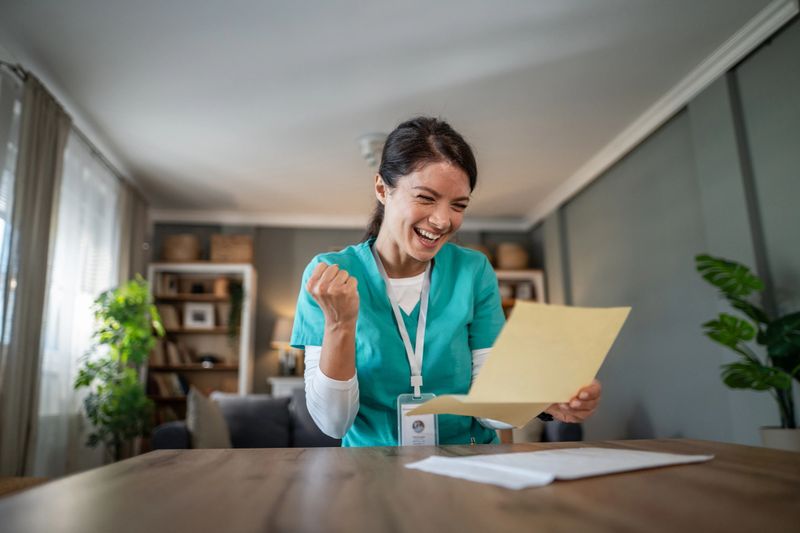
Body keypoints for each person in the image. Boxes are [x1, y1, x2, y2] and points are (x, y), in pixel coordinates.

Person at [290, 116, 601, 447]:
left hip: (468, 464)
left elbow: (487, 408)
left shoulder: (473, 271)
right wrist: (340, 324)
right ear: (382, 189)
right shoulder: (328, 276)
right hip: (372, 472)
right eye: (425, 197)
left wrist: (541, 400)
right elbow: (334, 424)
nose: (442, 220)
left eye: (458, 205)